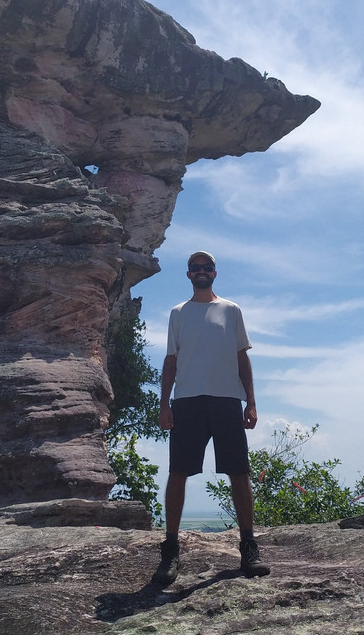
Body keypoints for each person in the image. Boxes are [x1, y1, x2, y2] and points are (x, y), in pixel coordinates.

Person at [152, 251, 270, 586]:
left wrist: (251, 402)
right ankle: (170, 550)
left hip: (226, 401)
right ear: (188, 274)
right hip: (187, 401)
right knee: (178, 473)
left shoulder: (231, 311)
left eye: (207, 268)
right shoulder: (178, 313)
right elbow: (170, 361)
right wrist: (164, 404)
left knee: (239, 472)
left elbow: (241, 358)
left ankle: (249, 548)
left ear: (214, 273)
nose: (201, 272)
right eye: (195, 268)